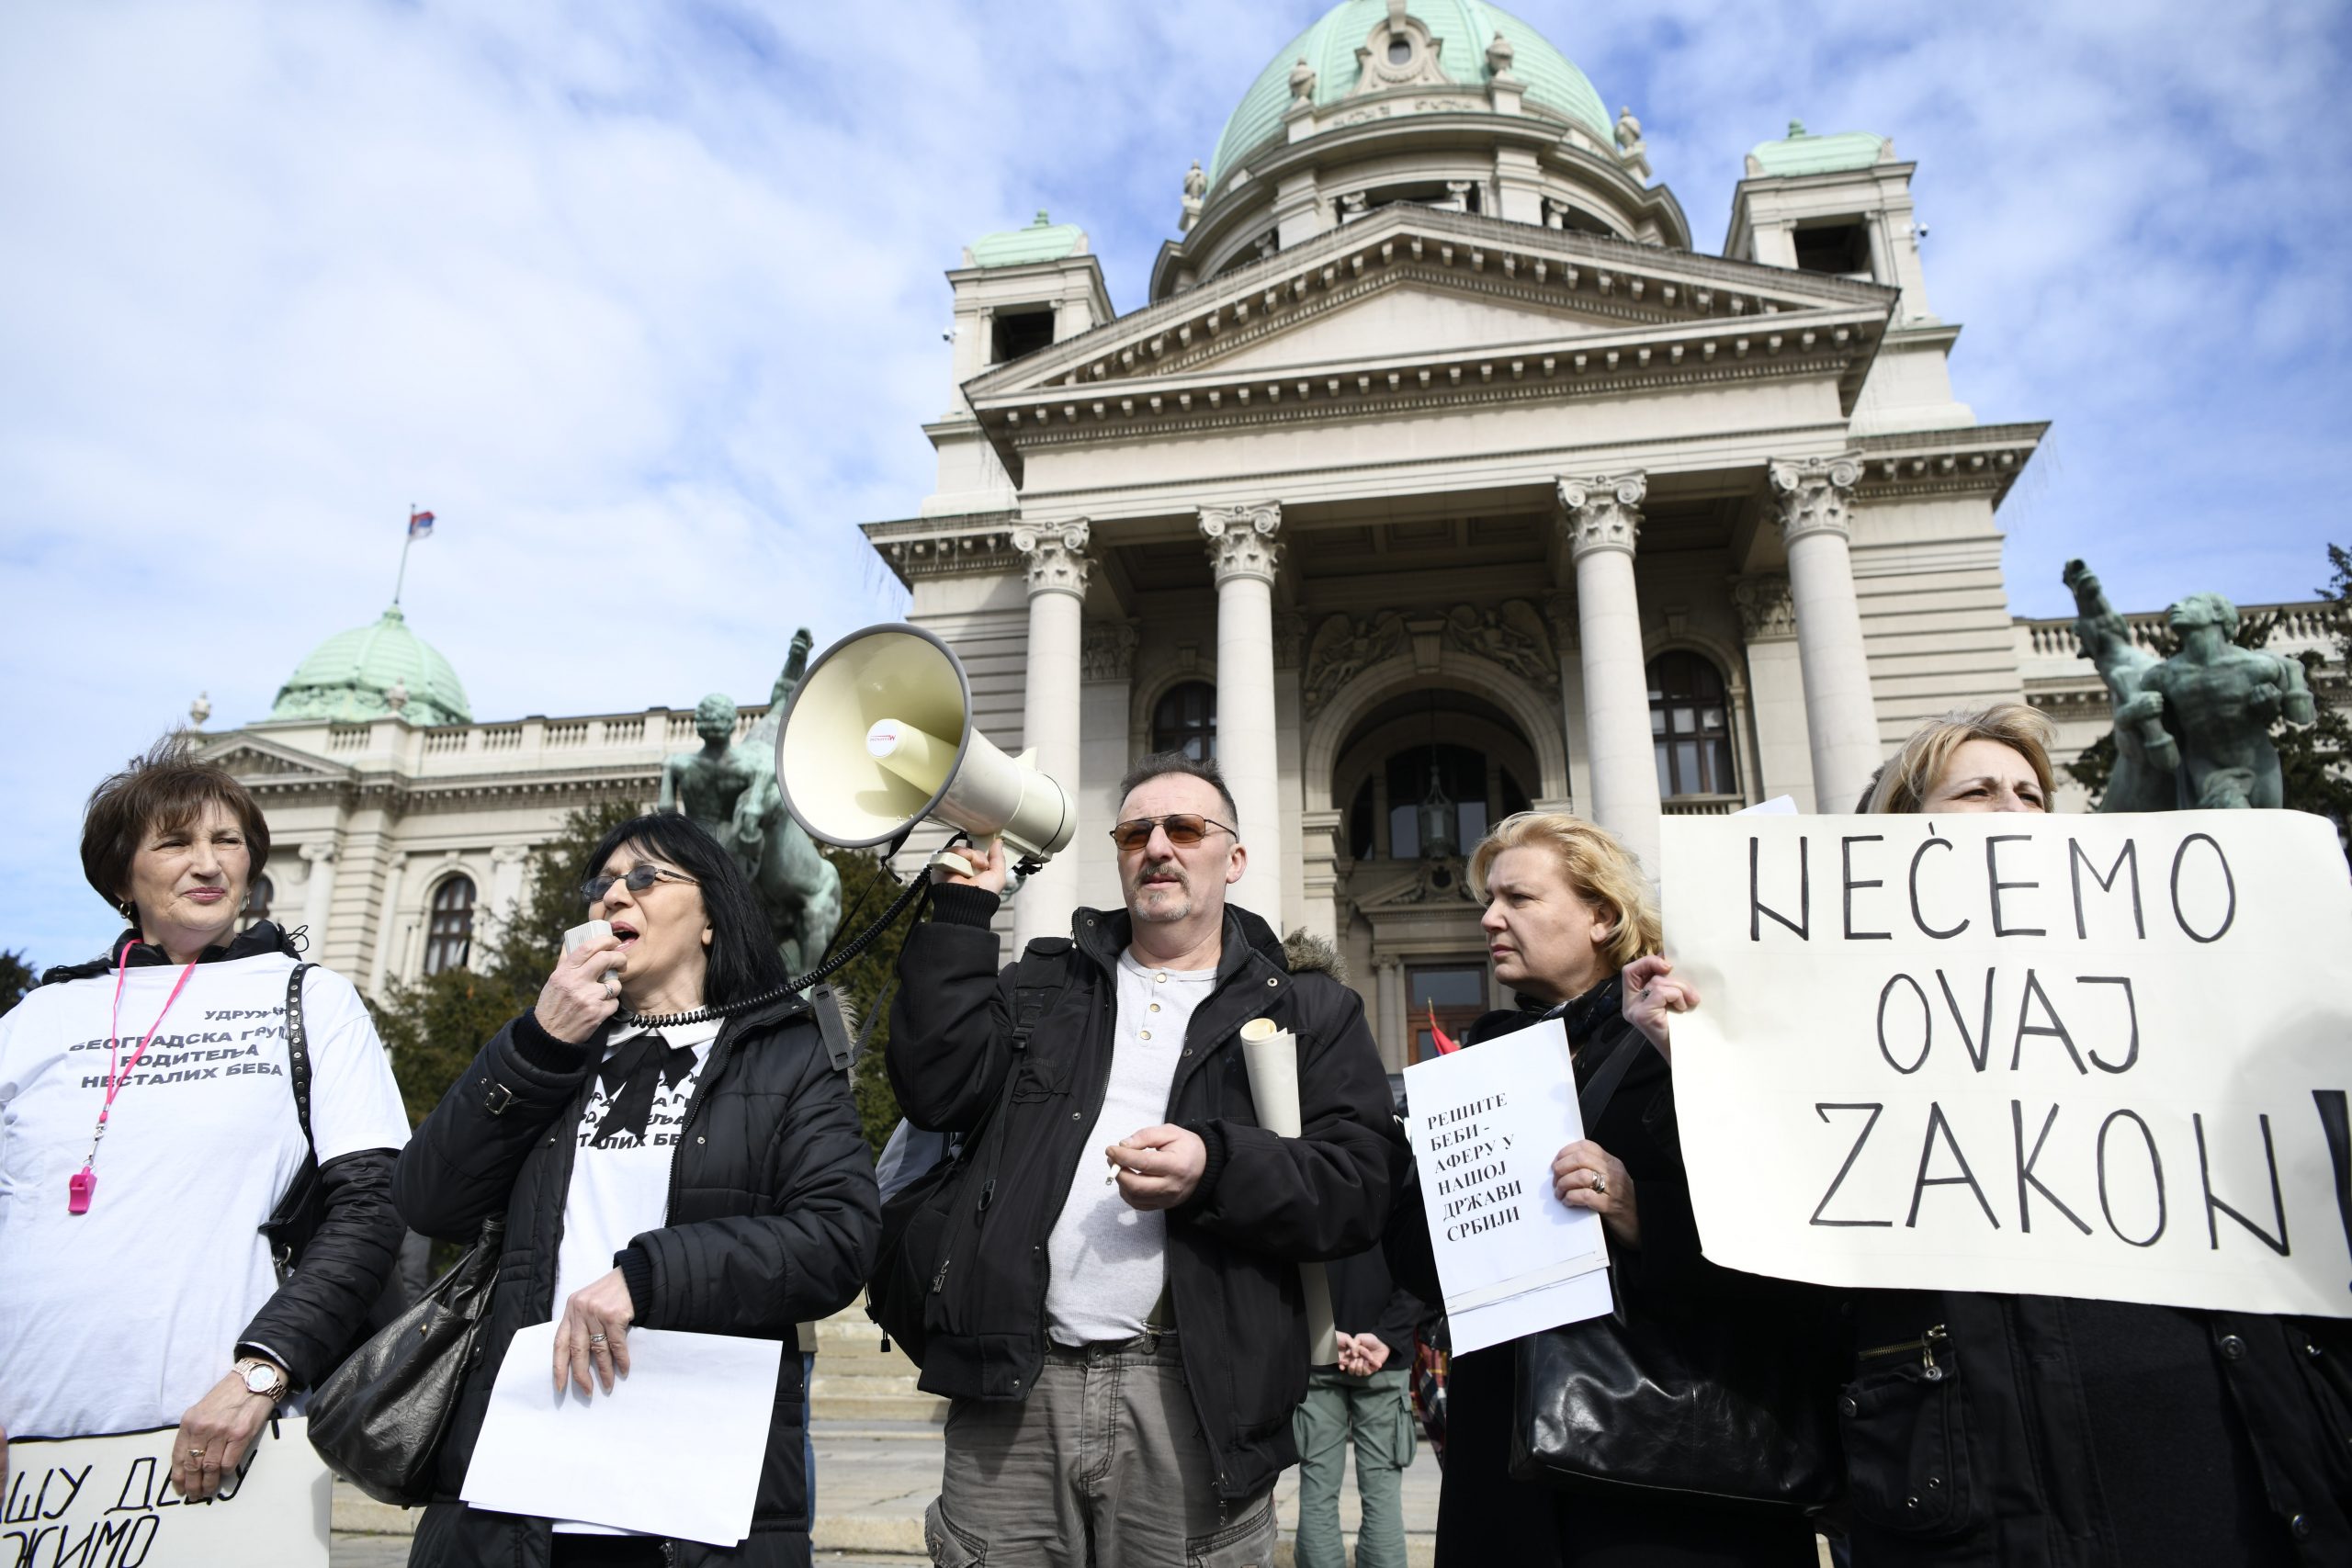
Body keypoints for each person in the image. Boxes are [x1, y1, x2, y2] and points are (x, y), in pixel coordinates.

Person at [1641, 704, 2352, 1565]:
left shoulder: (2176, 984)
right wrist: (1713, 1074)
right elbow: (1786, 1282)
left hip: (2236, 1459)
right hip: (1998, 1480)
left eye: (2031, 793)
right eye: (1977, 792)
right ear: (1895, 841)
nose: (2014, 809)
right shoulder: (1836, 1034)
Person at [888, 751, 1402, 1568]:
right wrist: (958, 914)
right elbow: (935, 1091)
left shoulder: (1308, 1008)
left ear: (1235, 858)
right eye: (1135, 833)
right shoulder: (1044, 984)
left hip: (1193, 1395)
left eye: (1185, 828)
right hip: (1016, 1385)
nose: (1157, 845)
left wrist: (1215, 1165)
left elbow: (1360, 1186)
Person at [392, 813, 880, 1568]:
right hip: (523, 1493)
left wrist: (649, 1277)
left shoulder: (785, 1053)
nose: (615, 894)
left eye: (646, 877)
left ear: (711, 917)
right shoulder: (552, 1051)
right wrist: (537, 1043)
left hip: (694, 1499)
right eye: (603, 883)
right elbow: (429, 1199)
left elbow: (839, 1238)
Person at [1385, 810, 1825, 1568]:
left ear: (1603, 916)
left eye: (1519, 897)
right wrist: (1434, 1166)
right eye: (1489, 899)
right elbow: (1421, 1267)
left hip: (1666, 1472)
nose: (1489, 918)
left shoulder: (1687, 1033)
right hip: (1508, 1462)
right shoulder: (1483, 1062)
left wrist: (1634, 1208)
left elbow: (1782, 1226)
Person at [0, 735, 408, 1498]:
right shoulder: (37, 1017)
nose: (209, 863)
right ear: (121, 874)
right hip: (22, 1446)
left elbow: (375, 1202)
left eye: (228, 841)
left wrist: (263, 1372)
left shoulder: (310, 998)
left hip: (226, 1436)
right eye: (175, 842)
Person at [1292, 1236, 1429, 1568]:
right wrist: (1387, 1335)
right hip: (1384, 1360)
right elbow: (1417, 1260)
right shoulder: (1398, 1197)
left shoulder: (1311, 1196)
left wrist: (1321, 1334)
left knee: (1317, 1487)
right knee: (1383, 1492)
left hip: (1320, 1357)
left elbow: (1294, 1251)